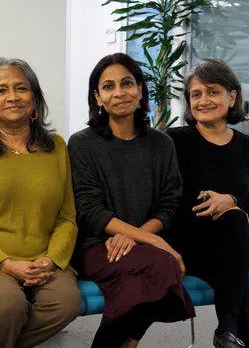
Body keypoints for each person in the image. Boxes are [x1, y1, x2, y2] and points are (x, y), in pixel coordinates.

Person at [0, 57, 81, 348]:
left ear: (34, 97)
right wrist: (6, 264)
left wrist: (51, 259)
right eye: (1, 90)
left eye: (21, 88)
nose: (12, 97)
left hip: (42, 256)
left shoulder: (56, 146)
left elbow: (66, 218)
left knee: (67, 302)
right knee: (8, 305)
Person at [68, 53, 195, 348]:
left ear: (140, 90)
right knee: (165, 265)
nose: (119, 92)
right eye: (108, 87)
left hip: (141, 242)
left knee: (136, 283)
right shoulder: (82, 143)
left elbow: (169, 204)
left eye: (127, 83)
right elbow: (89, 209)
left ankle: (128, 341)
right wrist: (156, 242)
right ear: (98, 98)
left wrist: (139, 238)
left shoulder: (162, 143)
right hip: (98, 246)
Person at [167, 59, 249, 348]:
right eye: (195, 94)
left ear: (232, 96)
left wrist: (233, 201)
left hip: (227, 248)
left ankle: (227, 332)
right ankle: (232, 334)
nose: (203, 100)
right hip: (184, 244)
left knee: (236, 222)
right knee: (237, 258)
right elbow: (163, 200)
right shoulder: (174, 141)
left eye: (212, 91)